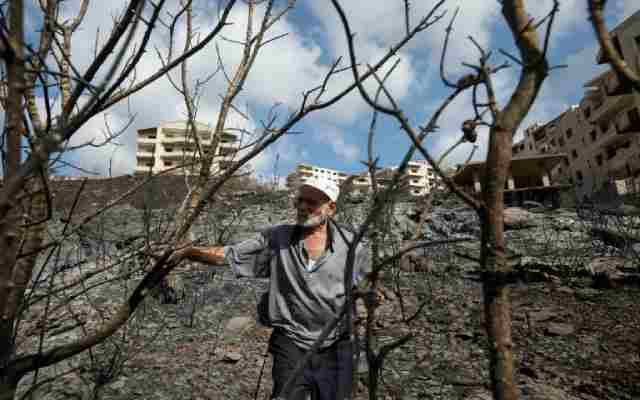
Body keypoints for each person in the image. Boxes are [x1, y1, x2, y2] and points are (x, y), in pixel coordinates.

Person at [170, 176, 371, 400]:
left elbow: (363, 287)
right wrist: (188, 252)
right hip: (291, 340)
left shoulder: (353, 245)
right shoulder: (277, 237)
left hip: (336, 343)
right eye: (300, 200)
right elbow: (230, 254)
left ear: (331, 208)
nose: (303, 207)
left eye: (311, 202)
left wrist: (369, 299)